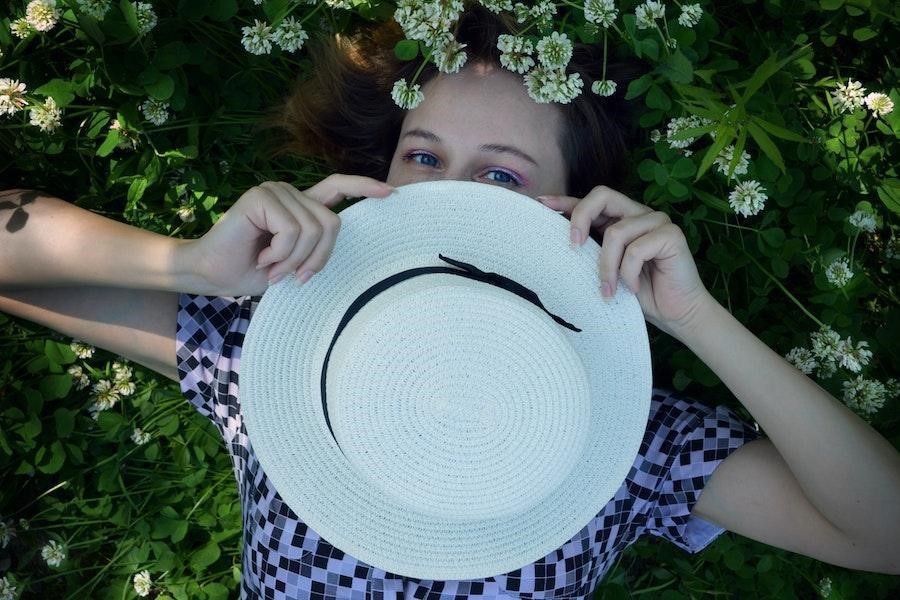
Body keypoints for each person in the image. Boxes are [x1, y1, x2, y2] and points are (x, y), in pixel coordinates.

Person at [2, 5, 899, 599]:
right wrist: (191, 268)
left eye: (501, 174)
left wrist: (698, 319)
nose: (449, 192)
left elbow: (882, 535)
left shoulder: (620, 436)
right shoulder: (281, 359)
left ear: (575, 208)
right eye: (423, 156)